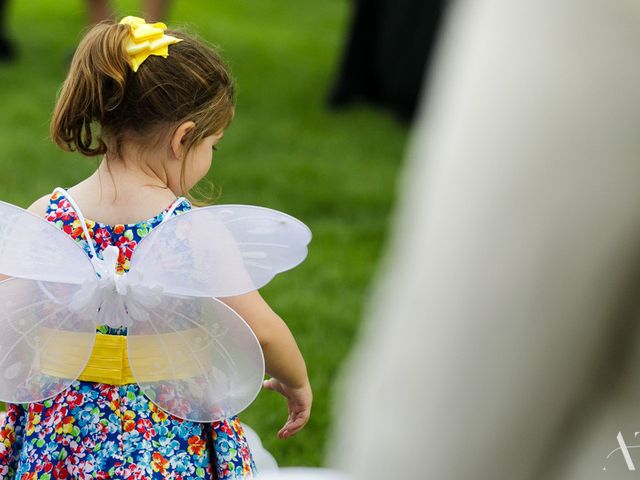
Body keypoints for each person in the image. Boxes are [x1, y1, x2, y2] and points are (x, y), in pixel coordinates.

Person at [0, 17, 312, 479]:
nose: (209, 158)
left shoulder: (48, 215)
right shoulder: (192, 231)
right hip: (165, 433)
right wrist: (297, 381)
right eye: (213, 146)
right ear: (183, 138)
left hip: (61, 428)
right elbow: (262, 330)